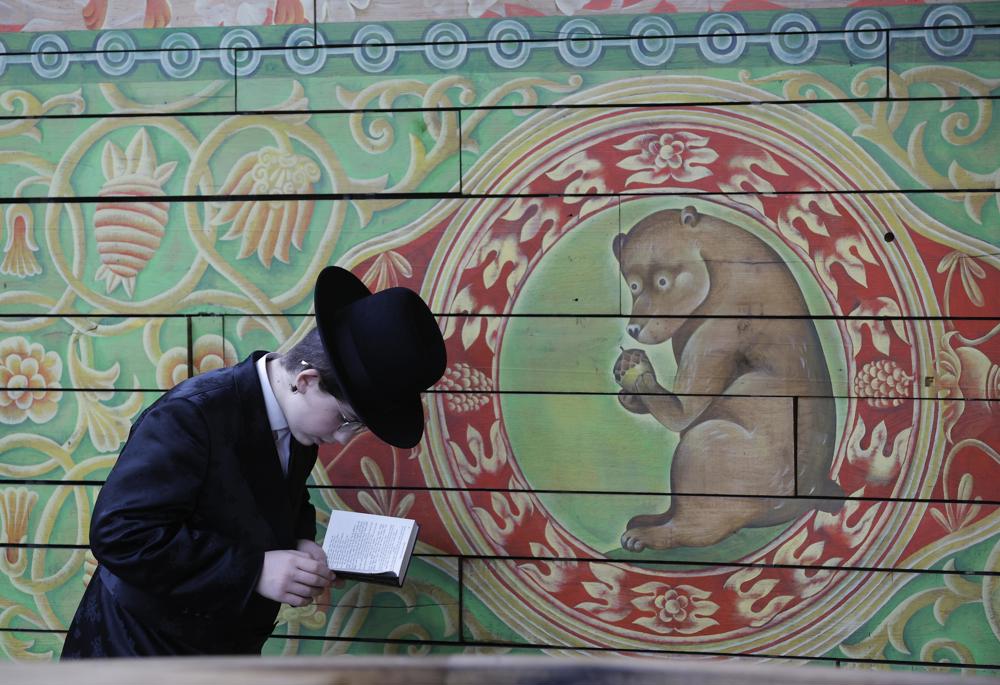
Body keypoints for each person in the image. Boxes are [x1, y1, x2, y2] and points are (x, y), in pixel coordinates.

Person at [61, 266, 447, 657]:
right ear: (307, 381)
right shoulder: (190, 416)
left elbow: (271, 502)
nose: (343, 438)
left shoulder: (299, 423)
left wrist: (298, 542)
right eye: (346, 419)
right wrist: (255, 571)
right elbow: (121, 534)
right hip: (136, 650)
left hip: (220, 651)